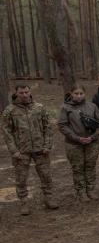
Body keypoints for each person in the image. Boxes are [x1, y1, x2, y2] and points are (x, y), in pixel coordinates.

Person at [1, 84, 58, 215]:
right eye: (21, 93)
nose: (25, 95)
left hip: (40, 149)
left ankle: (49, 198)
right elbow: (6, 132)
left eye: (26, 92)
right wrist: (14, 151)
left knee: (46, 175)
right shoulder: (10, 111)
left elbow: (48, 128)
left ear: (30, 92)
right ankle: (24, 202)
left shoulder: (39, 108)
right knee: (21, 178)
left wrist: (47, 146)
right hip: (21, 151)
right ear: (16, 93)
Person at [58, 84, 99, 202]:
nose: (79, 96)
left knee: (90, 166)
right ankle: (80, 192)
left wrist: (93, 137)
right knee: (78, 168)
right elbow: (62, 125)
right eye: (76, 94)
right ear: (71, 94)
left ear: (85, 94)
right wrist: (76, 138)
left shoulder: (92, 106)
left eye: (81, 93)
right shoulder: (66, 108)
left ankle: (91, 189)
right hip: (74, 144)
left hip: (92, 143)